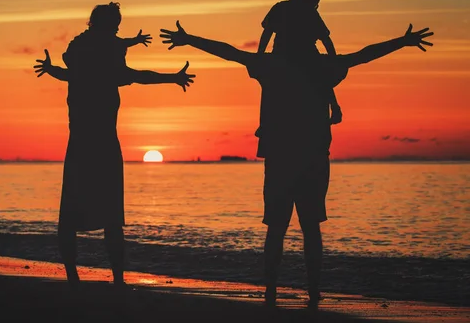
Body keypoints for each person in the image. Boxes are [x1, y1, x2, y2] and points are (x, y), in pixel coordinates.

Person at [160, 21, 433, 307]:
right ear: (312, 36)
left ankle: (271, 291)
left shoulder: (271, 65)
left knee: (276, 227)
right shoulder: (322, 66)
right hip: (313, 155)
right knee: (311, 227)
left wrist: (190, 38)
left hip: (280, 156)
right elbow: (363, 55)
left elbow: (229, 52)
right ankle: (313, 291)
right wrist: (401, 42)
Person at [34, 2, 195, 287]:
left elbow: (71, 70)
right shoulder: (106, 53)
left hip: (81, 142)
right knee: (110, 216)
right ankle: (117, 279)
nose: (118, 31)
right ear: (109, 25)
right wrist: (172, 77)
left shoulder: (80, 49)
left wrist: (51, 69)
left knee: (72, 214)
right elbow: (136, 75)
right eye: (116, 25)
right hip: (104, 143)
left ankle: (75, 277)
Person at [258, 0, 343, 125]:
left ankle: (266, 123)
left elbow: (267, 33)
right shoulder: (309, 12)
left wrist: (259, 55)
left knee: (273, 92)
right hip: (305, 56)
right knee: (323, 79)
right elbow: (326, 39)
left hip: (283, 55)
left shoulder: (280, 8)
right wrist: (333, 59)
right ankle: (334, 107)